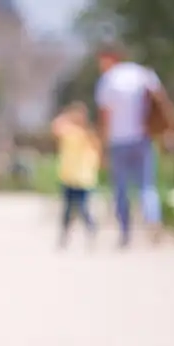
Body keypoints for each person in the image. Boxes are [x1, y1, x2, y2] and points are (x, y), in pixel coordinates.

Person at [94, 43, 173, 247]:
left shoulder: (108, 80)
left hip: (118, 141)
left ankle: (125, 232)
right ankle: (152, 220)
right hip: (143, 138)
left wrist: (102, 146)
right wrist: (165, 133)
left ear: (109, 58)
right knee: (147, 186)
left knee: (120, 188)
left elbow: (105, 116)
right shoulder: (144, 74)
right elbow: (161, 104)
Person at [52, 102, 101, 248]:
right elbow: (55, 127)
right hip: (69, 177)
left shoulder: (89, 135)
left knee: (82, 208)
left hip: (84, 179)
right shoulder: (70, 132)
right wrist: (68, 116)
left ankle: (91, 230)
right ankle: (65, 236)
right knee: (67, 210)